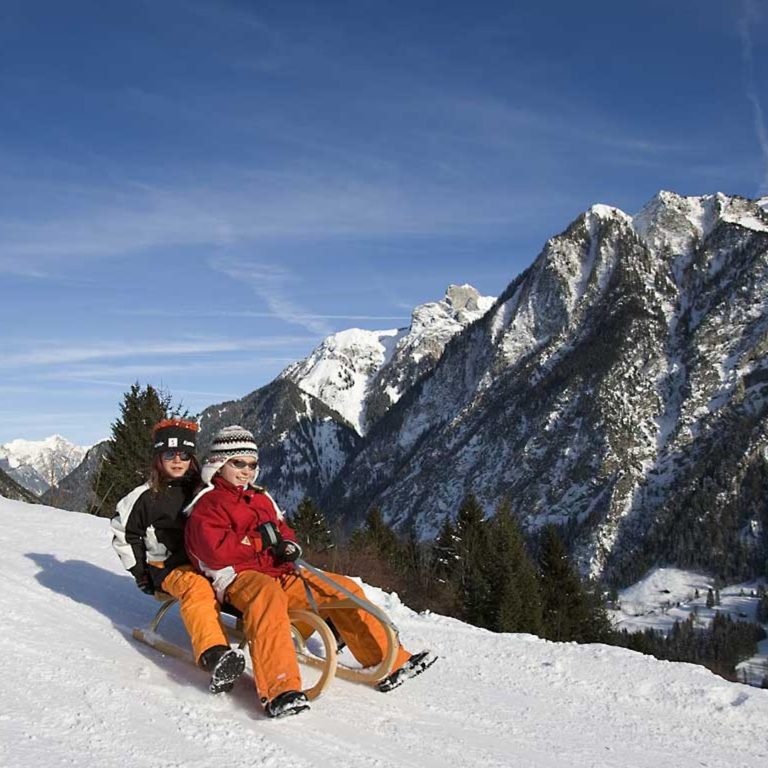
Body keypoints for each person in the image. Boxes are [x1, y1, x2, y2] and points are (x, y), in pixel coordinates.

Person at [184, 425, 436, 718]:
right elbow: (213, 552)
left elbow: (283, 529)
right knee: (268, 599)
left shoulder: (261, 498)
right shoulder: (208, 503)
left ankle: (387, 662)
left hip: (279, 572)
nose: (246, 471)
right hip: (237, 578)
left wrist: (288, 545)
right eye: (238, 463)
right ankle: (280, 689)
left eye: (252, 465)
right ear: (219, 463)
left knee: (340, 587)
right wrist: (258, 541)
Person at [110, 418, 245, 694]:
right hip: (168, 566)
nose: (177, 460)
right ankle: (214, 653)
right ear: (158, 457)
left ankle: (281, 625)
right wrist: (141, 573)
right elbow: (124, 533)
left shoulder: (202, 489)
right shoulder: (146, 496)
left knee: (246, 579)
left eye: (184, 454)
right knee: (198, 588)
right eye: (169, 454)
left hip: (207, 559)